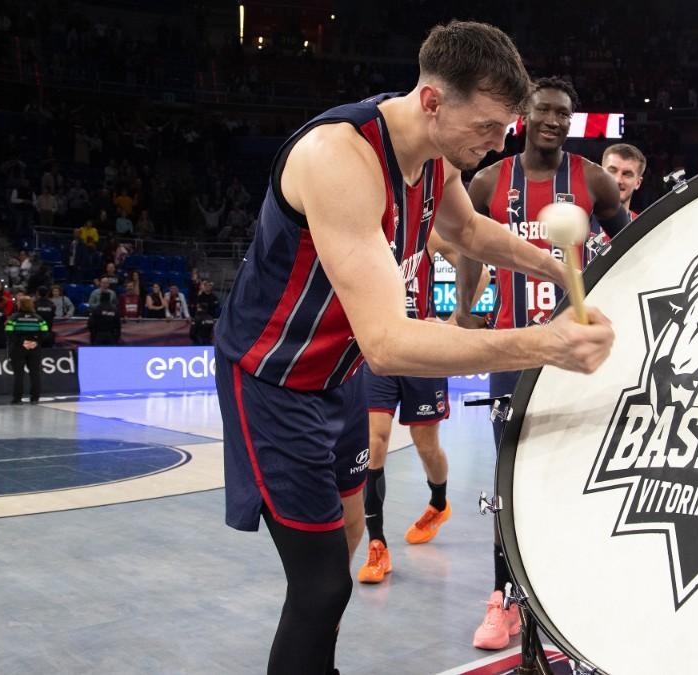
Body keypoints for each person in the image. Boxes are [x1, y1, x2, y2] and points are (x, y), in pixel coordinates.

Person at [212, 22, 613, 675]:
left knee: (343, 546)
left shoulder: (434, 157)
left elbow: (473, 232)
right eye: (486, 127)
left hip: (334, 376)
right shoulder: (338, 159)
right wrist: (546, 344)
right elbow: (389, 342)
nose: (495, 144)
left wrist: (559, 269)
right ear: (432, 101)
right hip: (270, 378)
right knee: (321, 586)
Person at [459, 75, 628, 651]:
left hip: (572, 358)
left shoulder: (592, 180)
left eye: (563, 114)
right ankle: (504, 599)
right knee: (509, 479)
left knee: (579, 473)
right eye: (544, 111)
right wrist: (463, 313)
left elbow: (630, 249)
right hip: (510, 352)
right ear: (523, 116)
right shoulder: (487, 182)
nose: (554, 121)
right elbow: (464, 245)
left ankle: (579, 592)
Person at [356, 229, 491, 585]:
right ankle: (377, 544)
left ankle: (439, 503)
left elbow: (482, 271)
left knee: (426, 446)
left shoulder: (426, 234)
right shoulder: (364, 226)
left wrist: (453, 321)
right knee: (374, 443)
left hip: (421, 351)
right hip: (378, 352)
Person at [5, 296, 47, 403]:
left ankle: (17, 399)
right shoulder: (39, 318)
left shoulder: (14, 318)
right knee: (35, 373)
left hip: (18, 349)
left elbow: (8, 332)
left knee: (19, 374)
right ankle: (35, 398)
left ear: (20, 304)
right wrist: (35, 342)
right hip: (34, 348)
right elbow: (45, 333)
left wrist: (22, 342)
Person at [601, 142, 646, 218]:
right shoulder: (579, 221)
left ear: (638, 183)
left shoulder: (644, 227)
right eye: (612, 171)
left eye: (627, 174)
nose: (618, 180)